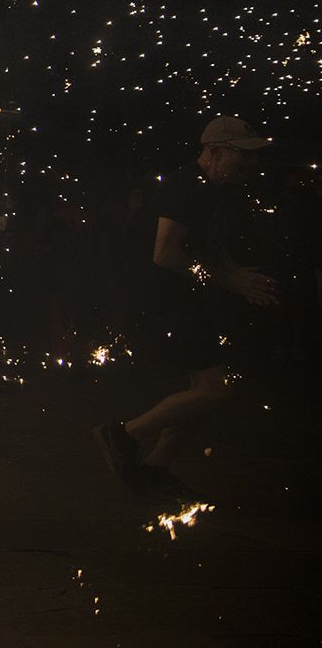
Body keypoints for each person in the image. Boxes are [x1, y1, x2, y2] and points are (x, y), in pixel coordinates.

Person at [95, 116, 280, 502]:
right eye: (242, 156)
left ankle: (155, 468)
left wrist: (238, 274)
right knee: (215, 388)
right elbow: (166, 254)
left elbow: (207, 247)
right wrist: (230, 280)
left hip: (188, 300)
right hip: (164, 302)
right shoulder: (185, 187)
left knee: (210, 389)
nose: (250, 165)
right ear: (214, 153)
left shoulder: (214, 190)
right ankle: (123, 434)